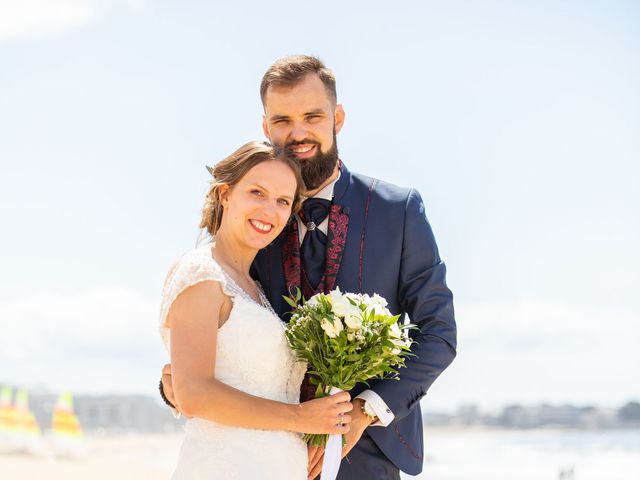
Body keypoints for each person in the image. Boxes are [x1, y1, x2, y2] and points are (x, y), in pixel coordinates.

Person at [162, 56, 457, 480]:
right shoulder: (256, 219)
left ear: (337, 117)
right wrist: (175, 386)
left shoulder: (400, 211)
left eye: (312, 116)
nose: (298, 133)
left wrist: (362, 412)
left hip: (369, 453)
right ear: (266, 127)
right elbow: (213, 325)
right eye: (283, 119)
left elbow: (438, 334)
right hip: (260, 451)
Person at [158, 141, 354, 480]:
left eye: (282, 201)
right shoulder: (201, 273)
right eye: (257, 193)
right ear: (225, 194)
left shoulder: (254, 288)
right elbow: (194, 395)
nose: (269, 210)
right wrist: (300, 417)